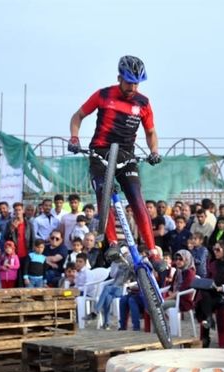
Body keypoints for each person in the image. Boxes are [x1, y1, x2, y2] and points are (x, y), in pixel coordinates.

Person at [68, 55, 164, 267]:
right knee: (104, 191)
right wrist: (74, 138)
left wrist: (154, 150)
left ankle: (152, 251)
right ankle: (111, 242)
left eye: (136, 83)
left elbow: (151, 132)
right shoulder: (103, 95)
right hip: (100, 153)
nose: (133, 87)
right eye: (129, 82)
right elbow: (77, 117)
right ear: (119, 78)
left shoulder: (144, 103)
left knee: (137, 200)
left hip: (126, 155)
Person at [195, 240, 224, 348]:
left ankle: (206, 335)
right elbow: (208, 278)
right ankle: (208, 319)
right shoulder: (213, 264)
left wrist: (222, 288)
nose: (215, 252)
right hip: (212, 293)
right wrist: (205, 283)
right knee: (204, 293)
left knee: (204, 299)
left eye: (218, 250)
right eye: (214, 249)